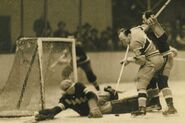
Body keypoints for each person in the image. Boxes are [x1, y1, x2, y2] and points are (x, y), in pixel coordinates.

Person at [34, 79, 139, 121]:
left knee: (105, 96)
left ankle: (110, 92)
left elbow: (90, 95)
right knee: (115, 106)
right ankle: (135, 103)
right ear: (66, 92)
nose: (73, 89)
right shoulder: (65, 100)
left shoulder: (79, 86)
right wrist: (43, 113)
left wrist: (93, 108)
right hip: (94, 108)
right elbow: (56, 109)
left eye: (73, 87)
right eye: (71, 89)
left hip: (94, 102)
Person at [118, 26, 164, 116]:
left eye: (123, 40)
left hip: (152, 61)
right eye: (121, 40)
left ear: (129, 35)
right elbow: (143, 27)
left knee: (141, 82)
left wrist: (129, 60)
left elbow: (142, 61)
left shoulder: (134, 44)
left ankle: (142, 109)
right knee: (151, 81)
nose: (122, 43)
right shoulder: (135, 29)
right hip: (158, 58)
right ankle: (156, 103)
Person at [142, 11, 177, 115]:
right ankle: (155, 103)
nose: (142, 21)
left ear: (149, 19)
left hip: (165, 58)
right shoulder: (147, 32)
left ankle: (171, 107)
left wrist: (155, 24)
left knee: (162, 82)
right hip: (158, 59)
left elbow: (163, 37)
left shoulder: (156, 27)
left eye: (143, 19)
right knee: (149, 79)